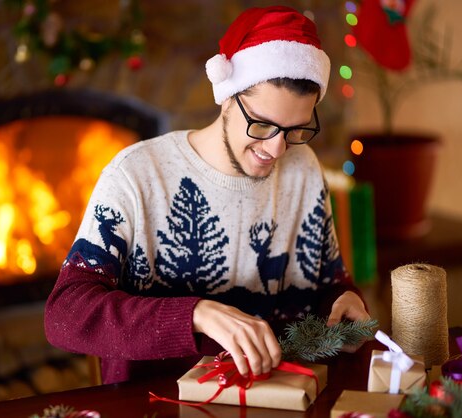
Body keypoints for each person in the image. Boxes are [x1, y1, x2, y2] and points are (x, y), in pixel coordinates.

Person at [44, 5, 370, 385]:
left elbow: (328, 284)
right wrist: (196, 314)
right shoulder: (136, 175)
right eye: (262, 125)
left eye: (296, 129)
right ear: (227, 96)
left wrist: (344, 301)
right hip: (155, 403)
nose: (278, 149)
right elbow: (65, 315)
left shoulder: (303, 168)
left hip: (280, 397)